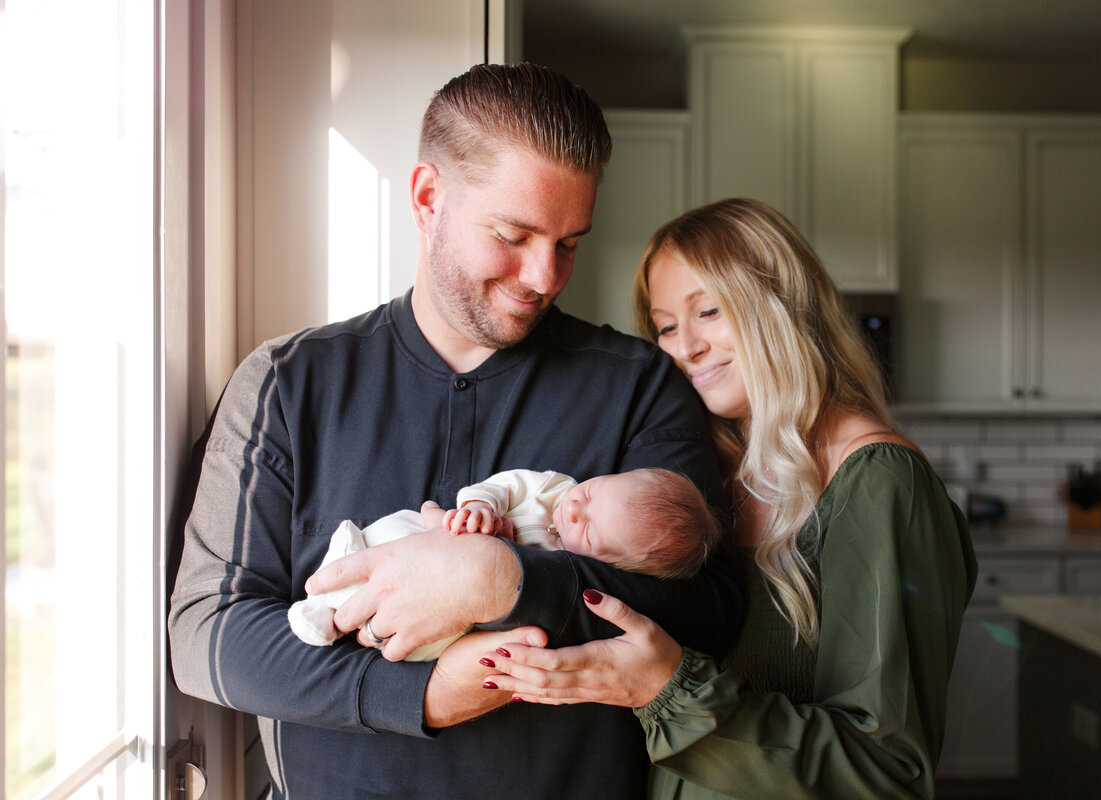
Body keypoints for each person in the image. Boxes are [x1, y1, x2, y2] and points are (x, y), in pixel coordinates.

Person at [168, 64, 742, 800]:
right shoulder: (285, 383)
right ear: (428, 198)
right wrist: (425, 695)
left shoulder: (640, 388)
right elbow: (207, 638)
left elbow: (711, 614)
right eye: (513, 233)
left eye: (569, 242)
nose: (545, 275)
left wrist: (506, 580)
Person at [481, 198, 978, 799]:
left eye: (708, 311)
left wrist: (667, 691)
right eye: (665, 326)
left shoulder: (878, 483)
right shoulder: (699, 481)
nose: (684, 347)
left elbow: (887, 771)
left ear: (784, 304)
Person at [289, 467, 721, 652]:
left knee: (433, 637)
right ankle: (333, 583)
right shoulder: (553, 489)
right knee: (404, 530)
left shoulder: (563, 565)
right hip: (440, 534)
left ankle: (336, 617)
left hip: (447, 608)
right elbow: (503, 486)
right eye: (590, 494)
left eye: (588, 528)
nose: (573, 509)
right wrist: (478, 506)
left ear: (613, 565)